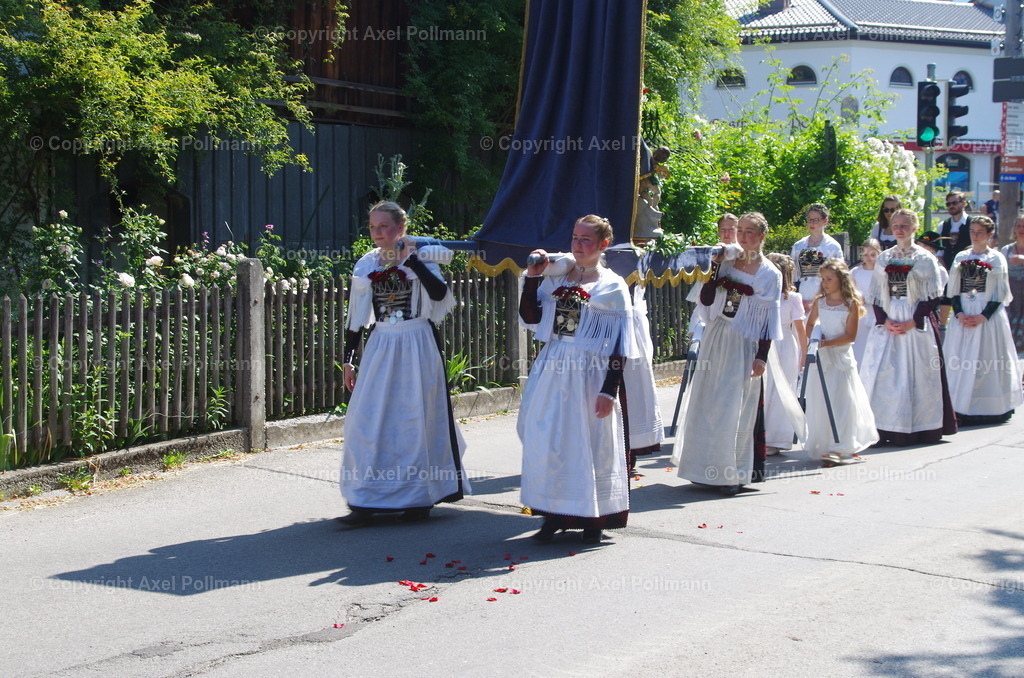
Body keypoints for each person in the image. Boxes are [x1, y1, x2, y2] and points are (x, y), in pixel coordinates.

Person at [337, 201, 468, 526]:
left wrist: (412, 260)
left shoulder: (422, 256)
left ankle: (416, 498)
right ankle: (365, 498)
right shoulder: (367, 263)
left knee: (413, 419)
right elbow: (356, 319)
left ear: (401, 228)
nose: (378, 233)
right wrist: (349, 361)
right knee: (366, 420)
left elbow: (440, 295)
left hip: (416, 343)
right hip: (381, 343)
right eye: (373, 227)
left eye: (384, 226)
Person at [518, 215, 636, 544]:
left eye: (586, 239)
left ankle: (592, 517)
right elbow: (531, 316)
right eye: (575, 238)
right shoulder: (556, 278)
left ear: (603, 244)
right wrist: (532, 277)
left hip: (591, 370)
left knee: (589, 442)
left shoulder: (612, 286)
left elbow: (619, 344)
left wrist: (608, 391)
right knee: (549, 437)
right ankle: (552, 512)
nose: (578, 245)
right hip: (555, 363)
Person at [676, 212, 785, 495]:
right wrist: (714, 270)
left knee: (733, 407)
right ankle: (701, 469)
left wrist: (761, 356)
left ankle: (731, 473)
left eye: (751, 232)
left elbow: (767, 322)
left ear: (762, 237)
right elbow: (707, 299)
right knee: (707, 402)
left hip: (742, 342)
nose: (744, 237)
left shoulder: (770, 274)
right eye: (742, 231)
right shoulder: (725, 263)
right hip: (716, 336)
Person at [860, 208, 957, 446]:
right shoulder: (884, 257)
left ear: (914, 228)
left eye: (904, 225)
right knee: (885, 376)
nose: (899, 230)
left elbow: (933, 296)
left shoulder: (925, 259)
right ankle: (883, 428)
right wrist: (885, 321)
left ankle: (917, 428)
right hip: (890, 321)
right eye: (896, 226)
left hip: (915, 323)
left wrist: (913, 321)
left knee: (916, 375)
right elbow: (876, 295)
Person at [944, 216, 1023, 425]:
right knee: (960, 360)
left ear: (989, 235)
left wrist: (982, 316)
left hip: (986, 316)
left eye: (980, 232)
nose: (976, 235)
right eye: (973, 231)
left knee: (985, 360)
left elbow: (999, 293)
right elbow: (953, 289)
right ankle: (958, 406)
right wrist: (959, 313)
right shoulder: (961, 256)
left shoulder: (996, 258)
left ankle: (989, 407)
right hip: (964, 313)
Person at [804, 259, 879, 464]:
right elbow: (809, 324)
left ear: (841, 280)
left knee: (843, 400)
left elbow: (850, 336)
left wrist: (827, 344)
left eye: (829, 279)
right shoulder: (820, 302)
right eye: (823, 279)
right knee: (822, 399)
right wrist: (814, 340)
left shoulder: (850, 304)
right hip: (822, 357)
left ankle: (843, 444)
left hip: (841, 357)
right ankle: (827, 443)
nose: (825, 283)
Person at [764, 253, 806, 454]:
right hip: (765, 344)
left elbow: (800, 329)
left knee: (783, 391)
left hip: (786, 346)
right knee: (766, 389)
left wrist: (804, 354)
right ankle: (761, 435)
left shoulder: (793, 298)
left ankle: (777, 439)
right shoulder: (763, 295)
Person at [791, 203, 844, 312]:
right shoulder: (799, 245)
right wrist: (797, 300)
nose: (811, 223)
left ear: (825, 221)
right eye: (809, 219)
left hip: (825, 299)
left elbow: (839, 277)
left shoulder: (833, 246)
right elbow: (792, 277)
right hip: (802, 299)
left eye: (816, 220)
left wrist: (818, 301)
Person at [850, 238, 881, 366]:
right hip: (860, 314)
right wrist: (857, 297)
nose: (869, 258)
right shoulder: (855, 272)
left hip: (877, 313)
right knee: (860, 345)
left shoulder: (883, 272)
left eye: (873, 255)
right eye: (865, 254)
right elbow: (850, 291)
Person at [1000, 215, 1024, 356]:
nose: (1021, 229)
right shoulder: (1006, 250)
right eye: (1019, 226)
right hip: (1011, 298)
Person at [937, 190, 973, 270]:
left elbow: (975, 250)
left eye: (954, 203)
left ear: (964, 203)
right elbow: (939, 253)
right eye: (948, 204)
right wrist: (946, 271)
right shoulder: (943, 225)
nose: (951, 206)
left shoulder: (972, 224)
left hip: (967, 271)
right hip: (946, 271)